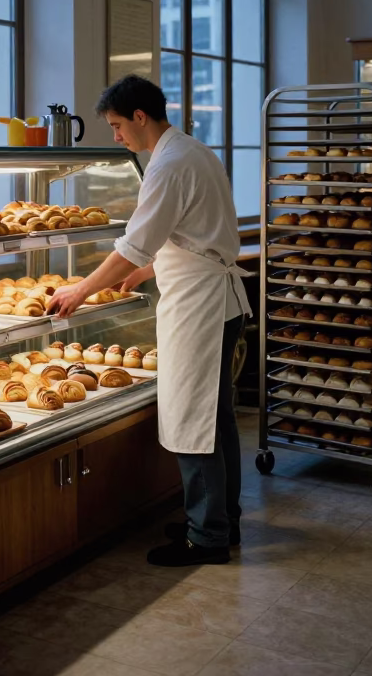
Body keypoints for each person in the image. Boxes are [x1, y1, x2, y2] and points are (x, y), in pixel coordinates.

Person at [48, 74, 249, 566]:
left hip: (199, 307)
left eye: (117, 126)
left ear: (141, 117)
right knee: (217, 419)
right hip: (217, 297)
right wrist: (147, 271)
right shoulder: (194, 152)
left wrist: (80, 289)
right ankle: (222, 520)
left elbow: (132, 242)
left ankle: (206, 539)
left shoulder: (169, 165)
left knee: (190, 419)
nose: (116, 137)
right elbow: (193, 235)